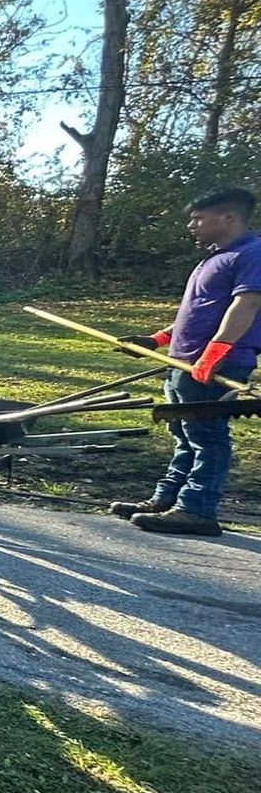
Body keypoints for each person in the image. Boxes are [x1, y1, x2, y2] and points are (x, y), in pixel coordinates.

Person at [109, 187, 260, 537]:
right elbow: (198, 312)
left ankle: (197, 510)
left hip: (216, 365)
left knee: (207, 436)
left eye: (198, 218)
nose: (192, 225)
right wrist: (158, 340)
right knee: (183, 433)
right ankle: (168, 500)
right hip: (185, 363)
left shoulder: (252, 253)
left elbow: (247, 306)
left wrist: (214, 354)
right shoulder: (214, 256)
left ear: (228, 217)